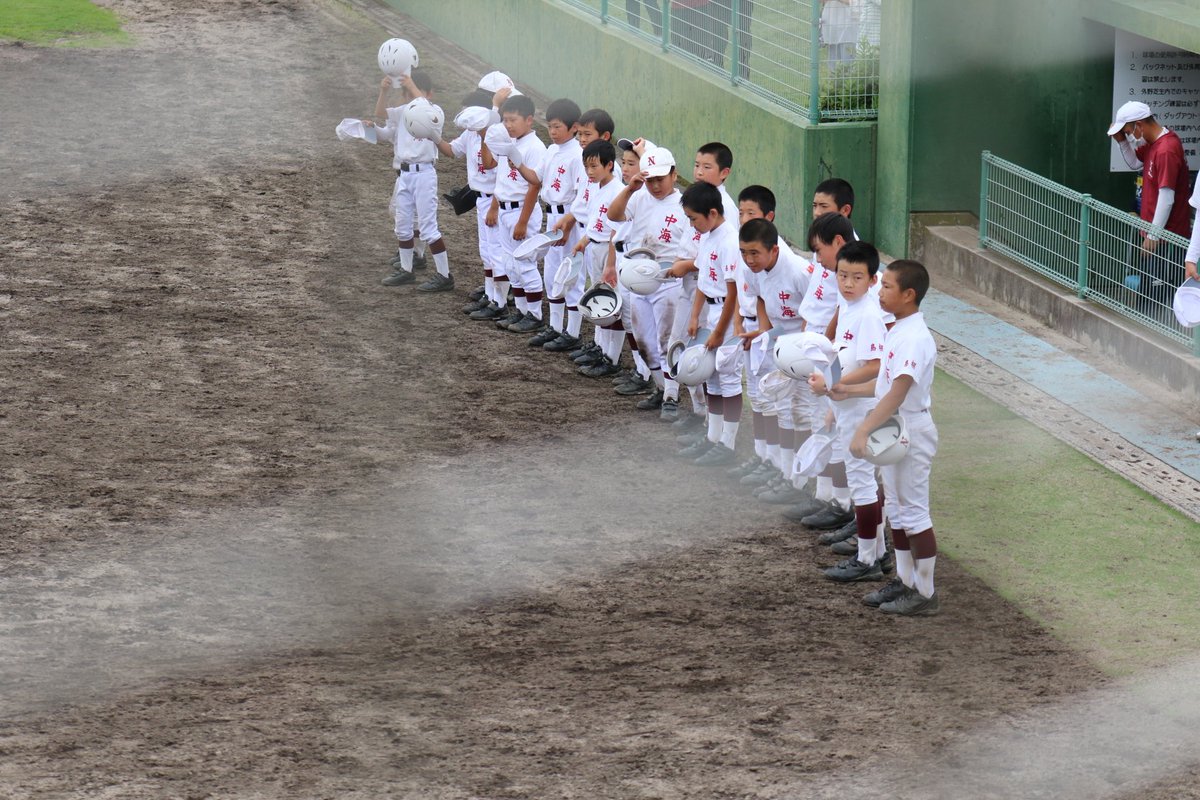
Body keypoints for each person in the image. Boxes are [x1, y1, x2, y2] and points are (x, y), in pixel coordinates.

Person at [843, 259, 940, 616]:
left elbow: (898, 392)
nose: (879, 291)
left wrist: (864, 428)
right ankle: (905, 579)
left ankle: (926, 593)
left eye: (886, 287)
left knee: (914, 512)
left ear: (908, 294)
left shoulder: (915, 337)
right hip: (895, 427)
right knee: (897, 510)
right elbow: (884, 383)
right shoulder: (898, 327)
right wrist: (845, 389)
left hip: (910, 428)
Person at [808, 240, 889, 582]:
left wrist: (831, 385)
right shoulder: (849, 306)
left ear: (872, 280)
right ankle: (879, 553)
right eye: (843, 275)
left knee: (862, 483)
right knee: (864, 481)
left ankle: (867, 559)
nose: (847, 283)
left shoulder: (869, 314)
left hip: (862, 409)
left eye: (857, 277)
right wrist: (832, 396)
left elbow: (875, 365)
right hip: (848, 406)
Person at [606, 145, 692, 418]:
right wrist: (631, 188)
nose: (655, 185)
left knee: (667, 341)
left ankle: (671, 396)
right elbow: (613, 215)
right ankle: (659, 387)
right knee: (644, 342)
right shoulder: (639, 196)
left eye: (660, 179)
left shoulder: (685, 207)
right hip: (637, 281)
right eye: (650, 179)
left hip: (668, 283)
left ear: (674, 175)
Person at [734, 217, 812, 494]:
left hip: (803, 347)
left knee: (800, 413)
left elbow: (814, 312)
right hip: (778, 342)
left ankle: (799, 479)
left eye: (755, 253)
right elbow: (760, 299)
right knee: (780, 410)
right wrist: (764, 332)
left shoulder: (800, 271)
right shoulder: (751, 270)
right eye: (744, 252)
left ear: (774, 250)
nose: (749, 259)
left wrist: (798, 348)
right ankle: (784, 472)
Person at [672, 181, 743, 466]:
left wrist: (717, 332)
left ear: (712, 213)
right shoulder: (708, 236)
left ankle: (729, 443)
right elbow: (702, 280)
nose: (692, 224)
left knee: (727, 378)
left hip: (726, 317)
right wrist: (694, 316)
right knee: (711, 377)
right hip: (712, 315)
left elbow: (733, 292)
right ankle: (713, 437)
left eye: (693, 218)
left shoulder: (729, 241)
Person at [364, 68, 453, 292]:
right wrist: (383, 90)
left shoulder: (434, 112)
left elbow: (423, 106)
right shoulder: (403, 112)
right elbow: (381, 113)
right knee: (403, 226)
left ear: (427, 94)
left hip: (424, 174)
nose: (410, 97)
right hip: (405, 174)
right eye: (407, 93)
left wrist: (412, 86)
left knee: (428, 227)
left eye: (414, 92)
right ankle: (407, 269)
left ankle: (444, 275)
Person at [1108, 100, 1193, 313]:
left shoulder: (1166, 149)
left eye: (1128, 131)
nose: (1129, 136)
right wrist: (1121, 142)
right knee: (1148, 296)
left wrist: (1153, 236)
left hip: (1166, 240)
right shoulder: (1155, 144)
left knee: (1156, 301)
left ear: (1139, 125)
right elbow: (1134, 163)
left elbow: (1167, 197)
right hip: (1155, 237)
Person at [544, 108, 617, 355]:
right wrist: (569, 218)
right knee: (572, 280)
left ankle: (584, 339)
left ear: (605, 136)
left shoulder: (608, 173)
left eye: (588, 134)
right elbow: (583, 202)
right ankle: (587, 341)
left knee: (591, 289)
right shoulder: (590, 164)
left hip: (600, 238)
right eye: (581, 134)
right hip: (587, 234)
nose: (582, 138)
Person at [433, 86, 503, 314]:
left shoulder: (496, 135)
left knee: (496, 252)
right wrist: (433, 135)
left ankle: (499, 302)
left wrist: (494, 206)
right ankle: (490, 293)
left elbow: (497, 172)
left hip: (495, 201)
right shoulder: (470, 134)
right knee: (486, 251)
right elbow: (452, 151)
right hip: (480, 200)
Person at [484, 94, 548, 332]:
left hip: (523, 212)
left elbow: (534, 185)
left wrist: (522, 222)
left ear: (529, 120)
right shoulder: (507, 143)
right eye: (505, 120)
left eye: (513, 120)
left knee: (525, 263)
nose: (508, 125)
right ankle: (521, 311)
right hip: (504, 210)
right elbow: (495, 171)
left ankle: (535, 314)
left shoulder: (535, 147)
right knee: (511, 265)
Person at [526, 98, 585, 349]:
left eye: (558, 126)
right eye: (550, 126)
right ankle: (555, 327)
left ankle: (572, 333)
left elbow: (582, 194)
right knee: (551, 274)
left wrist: (569, 224)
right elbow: (535, 179)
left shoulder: (580, 155)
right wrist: (515, 159)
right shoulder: (551, 151)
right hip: (552, 215)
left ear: (574, 127)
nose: (552, 132)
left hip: (570, 218)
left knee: (571, 275)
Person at [569, 139, 625, 378]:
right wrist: (585, 240)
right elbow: (595, 222)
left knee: (613, 303)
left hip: (610, 251)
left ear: (609, 165)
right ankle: (600, 348)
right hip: (596, 247)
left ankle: (612, 357)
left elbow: (615, 230)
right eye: (587, 167)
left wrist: (611, 263)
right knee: (599, 299)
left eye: (594, 166)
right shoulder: (598, 188)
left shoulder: (618, 191)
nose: (589, 172)